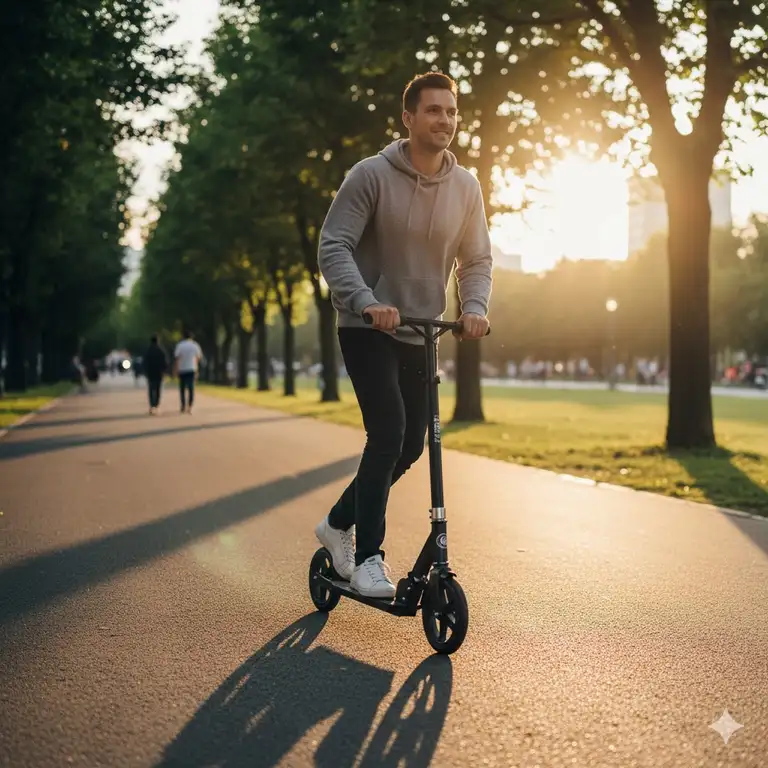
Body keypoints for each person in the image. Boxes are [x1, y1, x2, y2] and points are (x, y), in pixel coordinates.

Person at [314, 72, 493, 599]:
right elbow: (334, 246)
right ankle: (368, 556)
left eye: (452, 112)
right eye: (433, 111)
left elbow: (476, 258)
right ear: (409, 118)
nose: (445, 120)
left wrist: (475, 306)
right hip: (368, 326)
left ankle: (335, 523)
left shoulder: (466, 187)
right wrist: (366, 302)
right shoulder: (370, 175)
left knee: (412, 446)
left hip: (422, 331)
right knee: (388, 432)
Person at [174, 330, 203, 414]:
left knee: (182, 388)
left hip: (182, 368)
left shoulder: (180, 345)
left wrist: (176, 369)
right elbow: (199, 357)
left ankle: (183, 405)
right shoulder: (195, 345)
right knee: (191, 388)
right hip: (191, 368)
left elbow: (177, 358)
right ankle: (190, 406)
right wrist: (196, 366)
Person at [143, 335, 168, 414]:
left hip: (150, 373)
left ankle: (151, 405)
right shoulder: (161, 350)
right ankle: (156, 405)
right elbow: (165, 362)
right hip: (159, 373)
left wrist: (145, 371)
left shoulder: (148, 350)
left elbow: (145, 362)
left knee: (151, 389)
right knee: (157, 389)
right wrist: (164, 371)